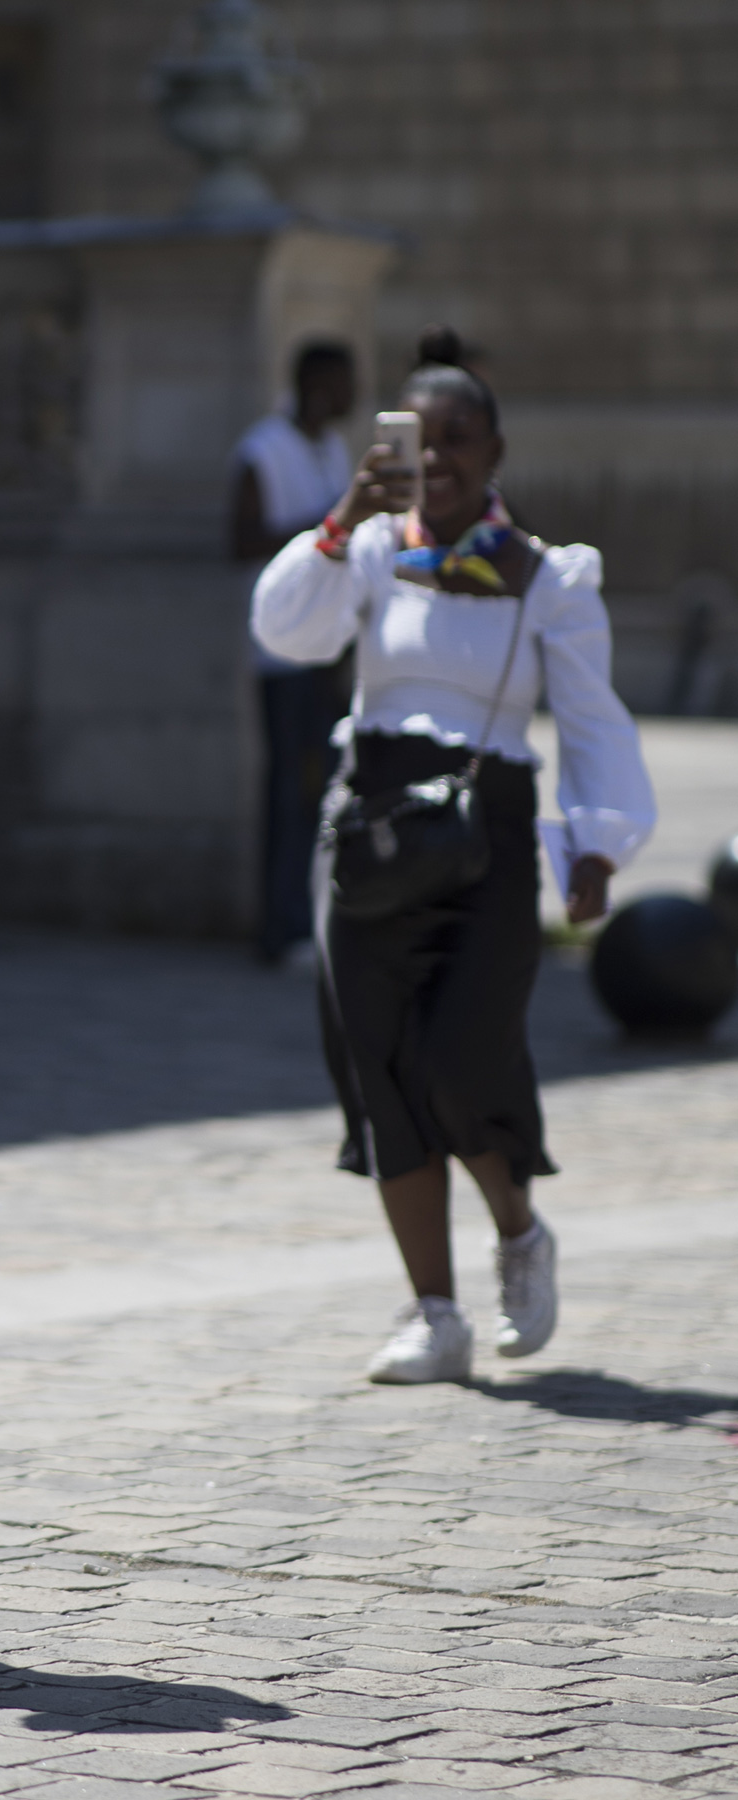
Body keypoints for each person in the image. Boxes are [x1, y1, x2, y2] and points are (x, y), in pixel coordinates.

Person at [254, 326, 654, 1387]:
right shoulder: (373, 551)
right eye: (417, 439)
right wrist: (344, 518)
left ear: (496, 451)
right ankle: (434, 1312)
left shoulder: (549, 579)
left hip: (488, 830)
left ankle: (518, 1229)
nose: (437, 459)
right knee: (381, 1069)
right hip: (370, 829)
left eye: (459, 438)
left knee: (463, 1061)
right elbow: (284, 632)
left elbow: (593, 718)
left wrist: (600, 841)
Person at [232, 340, 357, 966]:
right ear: (314, 384)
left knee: (321, 791)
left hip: (329, 647)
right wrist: (324, 529)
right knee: (286, 788)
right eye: (342, 382)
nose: (351, 394)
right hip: (282, 653)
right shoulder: (262, 449)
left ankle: (310, 918)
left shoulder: (333, 446)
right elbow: (240, 538)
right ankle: (276, 929)